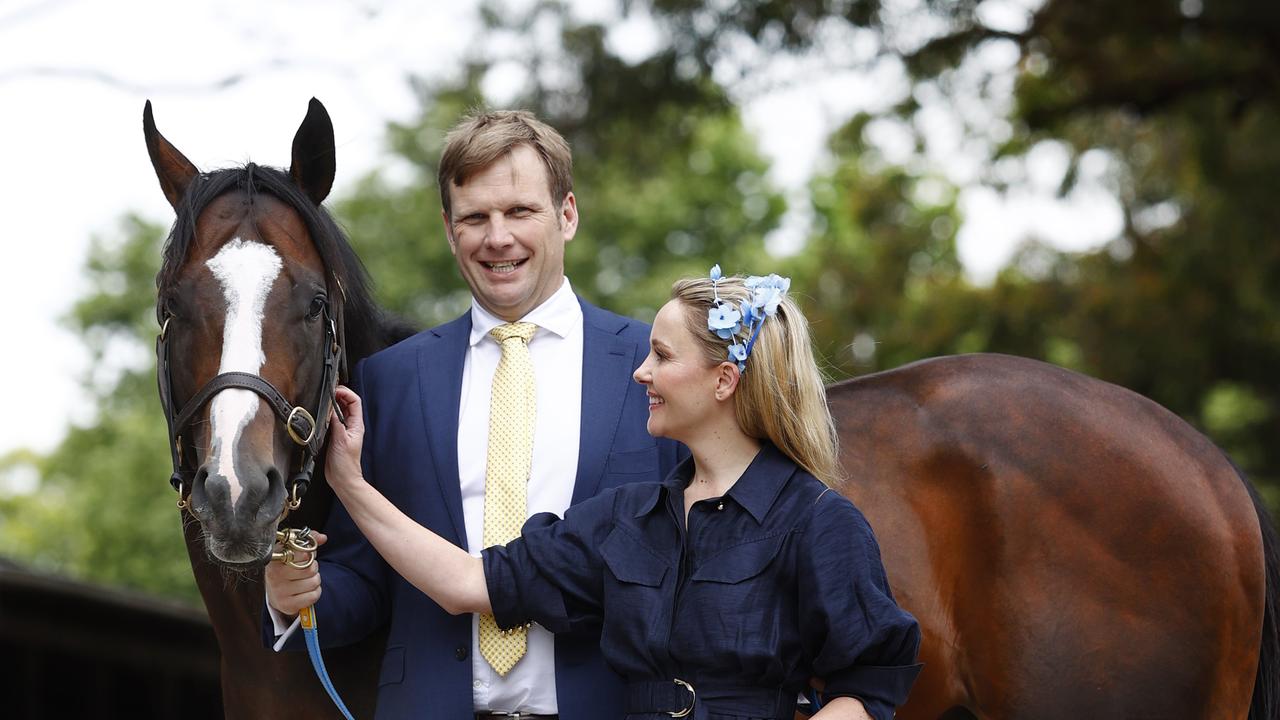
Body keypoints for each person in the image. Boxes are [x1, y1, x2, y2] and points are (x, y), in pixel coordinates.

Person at [282, 269, 923, 720]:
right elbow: (463, 584)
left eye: (662, 357)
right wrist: (350, 482)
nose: (640, 371)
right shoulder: (626, 520)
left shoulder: (819, 523)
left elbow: (869, 681)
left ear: (724, 380)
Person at [264, 110, 683, 719]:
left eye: (519, 212)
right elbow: (367, 584)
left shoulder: (653, 365)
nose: (497, 237)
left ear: (567, 214)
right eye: (475, 218)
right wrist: (291, 597)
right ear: (447, 227)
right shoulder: (389, 381)